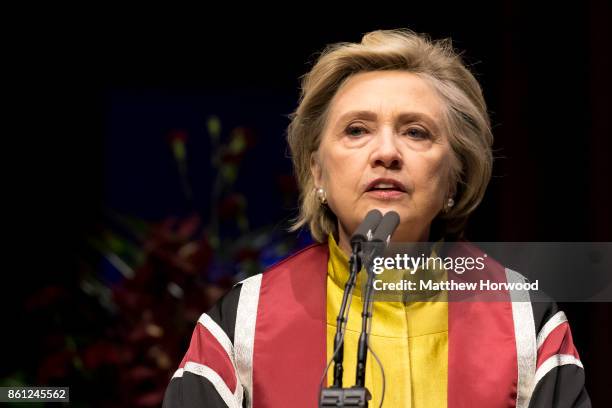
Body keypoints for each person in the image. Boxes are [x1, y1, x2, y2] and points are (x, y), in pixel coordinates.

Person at [162, 29, 590, 408]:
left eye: (416, 132)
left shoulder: (527, 323)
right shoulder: (241, 324)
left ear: (455, 176)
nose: (386, 153)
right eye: (356, 130)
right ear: (317, 172)